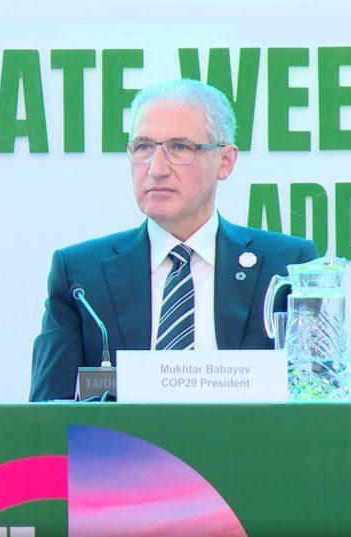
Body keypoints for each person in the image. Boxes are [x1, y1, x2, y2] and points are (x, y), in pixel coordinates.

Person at [30, 79, 319, 402]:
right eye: (143, 147)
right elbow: (47, 413)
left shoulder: (287, 265)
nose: (156, 169)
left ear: (225, 161)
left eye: (179, 148)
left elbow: (317, 404)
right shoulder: (82, 275)